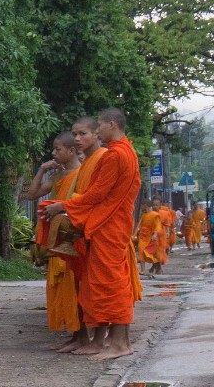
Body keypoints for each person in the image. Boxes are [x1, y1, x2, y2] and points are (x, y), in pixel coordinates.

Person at [43, 108, 142, 360]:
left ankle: (120, 343)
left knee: (112, 284)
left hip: (109, 226)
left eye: (98, 126)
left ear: (111, 125)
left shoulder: (115, 155)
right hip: (110, 223)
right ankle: (115, 341)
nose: (98, 130)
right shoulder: (125, 152)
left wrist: (64, 206)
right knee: (103, 283)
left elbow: (98, 193)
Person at [21, 132, 84, 346]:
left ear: (71, 151)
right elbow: (32, 194)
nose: (53, 153)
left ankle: (79, 330)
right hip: (57, 236)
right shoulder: (57, 177)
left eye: (58, 149)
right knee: (59, 283)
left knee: (75, 282)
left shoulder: (83, 174)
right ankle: (71, 328)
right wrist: (42, 169)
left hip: (74, 235)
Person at [137, 198, 174, 275]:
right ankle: (146, 269)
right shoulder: (145, 214)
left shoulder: (161, 214)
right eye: (153, 205)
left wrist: (165, 232)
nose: (154, 206)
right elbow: (141, 224)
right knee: (143, 250)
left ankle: (157, 267)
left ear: (160, 205)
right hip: (146, 235)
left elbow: (165, 224)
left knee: (157, 252)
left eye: (156, 205)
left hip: (159, 234)